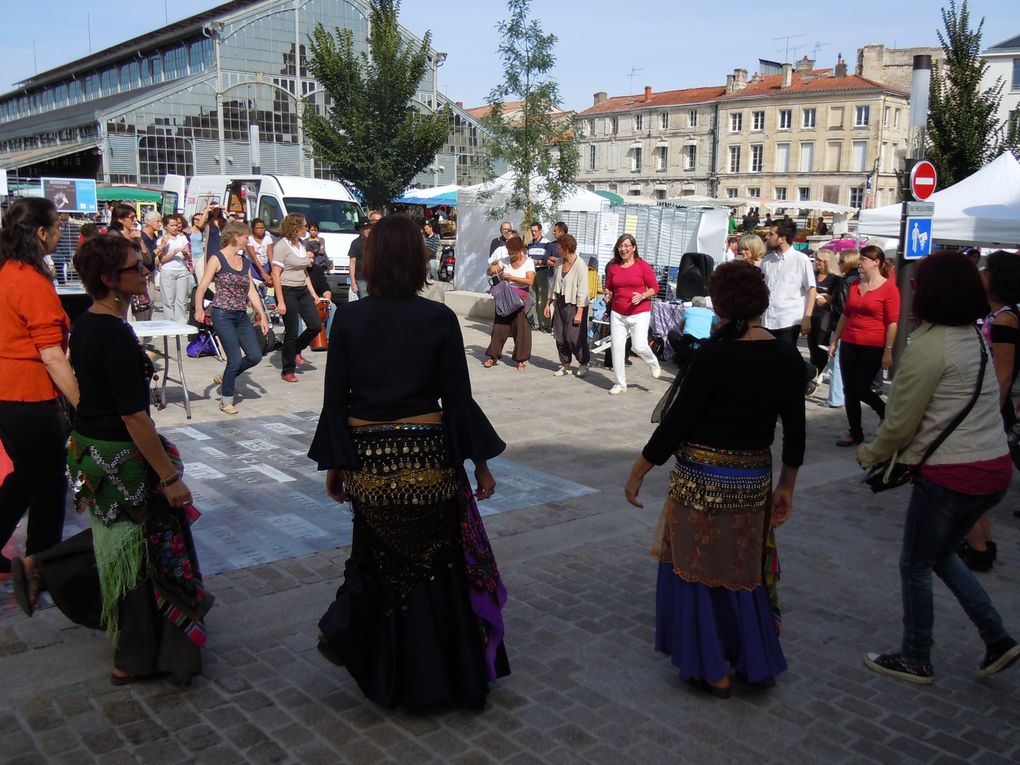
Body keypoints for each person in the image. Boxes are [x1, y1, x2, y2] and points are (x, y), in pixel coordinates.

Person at [309, 214, 509, 710]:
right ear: (420, 262)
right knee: (438, 565)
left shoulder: (350, 319)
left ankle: (394, 676)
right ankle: (449, 677)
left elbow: (336, 402)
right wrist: (480, 465)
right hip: (429, 459)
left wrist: (336, 465)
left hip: (369, 464)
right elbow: (457, 401)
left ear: (373, 262)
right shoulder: (438, 318)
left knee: (381, 563)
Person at [11, 233, 214, 687]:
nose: (144, 273)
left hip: (94, 448)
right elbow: (135, 417)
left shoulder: (89, 323)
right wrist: (168, 475)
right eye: (135, 268)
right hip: (119, 456)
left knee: (124, 543)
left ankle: (43, 568)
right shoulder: (113, 336)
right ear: (108, 279)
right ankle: (133, 656)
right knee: (138, 553)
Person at [624, 260, 805, 697]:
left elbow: (677, 423)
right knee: (742, 568)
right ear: (761, 302)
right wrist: (787, 486)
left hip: (701, 479)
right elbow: (796, 429)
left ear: (720, 303)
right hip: (752, 482)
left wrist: (639, 470)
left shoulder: (714, 355)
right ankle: (752, 658)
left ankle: (712, 668)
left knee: (696, 567)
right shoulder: (785, 355)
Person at [858, 251, 1019, 685]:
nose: (913, 289)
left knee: (915, 564)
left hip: (953, 474)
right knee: (940, 555)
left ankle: (916, 655)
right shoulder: (972, 335)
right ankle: (997, 637)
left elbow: (900, 421)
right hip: (993, 469)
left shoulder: (931, 345)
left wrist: (870, 454)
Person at [0, 198, 80, 575]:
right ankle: (43, 567)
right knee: (48, 483)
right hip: (28, 395)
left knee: (26, 476)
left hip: (9, 394)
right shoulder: (29, 281)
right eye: (58, 227)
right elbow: (51, 354)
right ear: (41, 233)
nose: (60, 233)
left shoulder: (7, 271)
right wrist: (81, 401)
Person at [959, 250, 1020, 571]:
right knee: (975, 483)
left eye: (986, 270)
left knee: (972, 482)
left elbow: (1005, 372)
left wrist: (988, 413)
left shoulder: (1007, 318)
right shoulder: (998, 315)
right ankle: (981, 543)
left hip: (990, 407)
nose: (981, 274)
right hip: (986, 404)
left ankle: (979, 548)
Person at [194, 222, 269, 414]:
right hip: (222, 314)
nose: (248, 240)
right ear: (236, 236)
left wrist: (263, 315)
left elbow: (251, 290)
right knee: (234, 359)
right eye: (246, 236)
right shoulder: (217, 258)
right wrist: (198, 308)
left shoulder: (244, 262)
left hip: (241, 315)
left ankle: (228, 375)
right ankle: (226, 400)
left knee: (254, 355)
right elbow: (202, 286)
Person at [828, 245, 900, 446]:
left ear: (876, 262)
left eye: (864, 259)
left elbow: (892, 322)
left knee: (860, 388)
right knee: (849, 390)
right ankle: (855, 432)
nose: (860, 262)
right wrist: (835, 341)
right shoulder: (855, 285)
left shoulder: (889, 289)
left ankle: (883, 410)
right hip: (850, 342)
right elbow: (845, 314)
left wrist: (888, 350)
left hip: (874, 344)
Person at [604, 234, 661, 395]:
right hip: (618, 312)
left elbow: (654, 288)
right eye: (620, 246)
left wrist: (642, 295)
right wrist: (608, 294)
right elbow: (608, 287)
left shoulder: (642, 266)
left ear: (634, 248)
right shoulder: (614, 267)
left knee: (639, 346)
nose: (623, 249)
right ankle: (620, 383)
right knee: (617, 348)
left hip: (640, 312)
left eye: (626, 246)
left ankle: (652, 361)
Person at [272, 213, 323, 383]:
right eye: (304, 225)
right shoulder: (282, 246)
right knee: (292, 331)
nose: (307, 228)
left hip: (302, 290)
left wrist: (314, 294)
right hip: (287, 290)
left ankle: (295, 350)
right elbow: (276, 275)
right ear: (295, 227)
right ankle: (287, 370)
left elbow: (304, 272)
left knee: (315, 325)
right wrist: (280, 301)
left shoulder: (301, 244)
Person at [760, 220, 816, 345]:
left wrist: (807, 317)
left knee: (785, 358)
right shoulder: (767, 260)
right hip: (767, 319)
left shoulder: (801, 260)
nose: (767, 237)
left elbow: (811, 289)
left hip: (788, 320)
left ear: (782, 239)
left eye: (771, 234)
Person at [484, 236, 534, 370]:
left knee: (521, 330)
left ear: (520, 251)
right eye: (509, 253)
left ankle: (521, 360)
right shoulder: (505, 261)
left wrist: (511, 277)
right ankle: (493, 356)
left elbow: (530, 281)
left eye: (514, 253)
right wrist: (493, 268)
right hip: (505, 299)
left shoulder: (528, 262)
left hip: (520, 299)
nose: (511, 255)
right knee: (499, 328)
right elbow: (490, 272)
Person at [544, 234, 590, 378]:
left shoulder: (580, 265)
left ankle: (583, 363)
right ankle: (566, 365)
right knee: (559, 336)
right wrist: (548, 303)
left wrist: (579, 313)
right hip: (560, 303)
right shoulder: (559, 262)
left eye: (559, 247)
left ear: (567, 248)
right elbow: (554, 285)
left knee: (573, 337)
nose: (557, 249)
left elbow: (583, 291)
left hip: (575, 305)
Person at [826, 249, 861, 409]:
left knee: (838, 362)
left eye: (840, 261)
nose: (838, 264)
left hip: (842, 325)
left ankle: (836, 397)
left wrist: (828, 304)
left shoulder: (847, 281)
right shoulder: (857, 279)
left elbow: (843, 308)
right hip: (853, 326)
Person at [155, 214, 193, 325]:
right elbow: (162, 259)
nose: (175, 227)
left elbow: (188, 256)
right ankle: (169, 323)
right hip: (168, 270)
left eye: (176, 225)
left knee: (181, 299)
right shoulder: (163, 240)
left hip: (181, 270)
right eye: (172, 225)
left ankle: (181, 322)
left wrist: (185, 253)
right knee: (168, 299)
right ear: (166, 226)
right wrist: (174, 253)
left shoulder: (182, 238)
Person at [807, 250, 840, 378]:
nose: (817, 263)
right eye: (816, 260)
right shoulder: (813, 275)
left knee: (820, 345)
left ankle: (818, 372)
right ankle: (813, 372)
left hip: (824, 316)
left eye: (820, 260)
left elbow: (837, 298)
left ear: (827, 262)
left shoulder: (835, 279)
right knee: (811, 345)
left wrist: (829, 298)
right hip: (810, 313)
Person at [349, 210, 382, 299]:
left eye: (369, 227)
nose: (368, 230)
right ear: (360, 229)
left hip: (375, 277)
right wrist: (353, 282)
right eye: (365, 228)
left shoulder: (376, 241)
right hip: (361, 278)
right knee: (364, 300)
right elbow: (352, 263)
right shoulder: (355, 243)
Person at [527, 222, 552, 331]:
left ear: (540, 231)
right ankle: (536, 324)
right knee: (533, 298)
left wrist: (537, 261)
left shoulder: (547, 243)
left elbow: (549, 260)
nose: (533, 233)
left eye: (535, 231)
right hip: (532, 272)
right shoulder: (529, 244)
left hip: (542, 271)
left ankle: (545, 325)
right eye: (532, 231)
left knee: (542, 298)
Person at [244, 218, 274, 284]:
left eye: (262, 228)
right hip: (253, 266)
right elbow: (254, 258)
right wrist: (263, 273)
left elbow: (270, 255)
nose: (260, 230)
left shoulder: (268, 238)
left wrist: (273, 270)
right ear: (253, 229)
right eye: (257, 228)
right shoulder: (249, 240)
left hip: (265, 264)